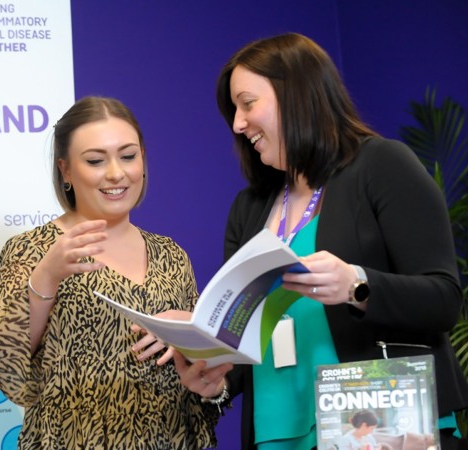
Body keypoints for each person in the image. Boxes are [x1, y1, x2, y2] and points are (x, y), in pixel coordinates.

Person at [170, 33, 468, 450]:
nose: (238, 123)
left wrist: (355, 285)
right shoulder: (249, 208)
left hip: (380, 430)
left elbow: (444, 299)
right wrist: (215, 378)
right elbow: (249, 343)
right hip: (278, 435)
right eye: (234, 111)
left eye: (247, 103)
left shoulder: (382, 165)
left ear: (295, 93)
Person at [0, 96, 221, 449]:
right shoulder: (32, 249)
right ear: (65, 170)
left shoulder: (171, 255)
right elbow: (8, 369)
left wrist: (205, 367)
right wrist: (46, 276)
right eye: (95, 160)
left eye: (128, 156)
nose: (116, 173)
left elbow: (203, 377)